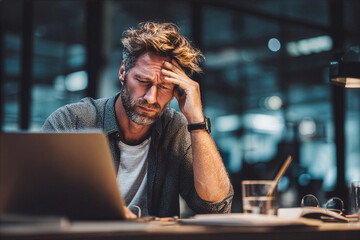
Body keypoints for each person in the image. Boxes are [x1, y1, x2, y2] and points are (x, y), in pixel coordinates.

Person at [42, 22, 233, 218]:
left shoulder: (177, 131)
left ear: (176, 91)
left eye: (164, 87)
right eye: (143, 81)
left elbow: (216, 207)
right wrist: (104, 211)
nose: (150, 98)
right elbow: (37, 200)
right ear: (123, 72)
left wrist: (197, 121)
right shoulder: (70, 122)